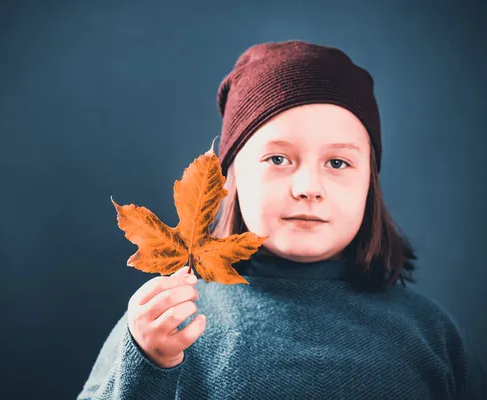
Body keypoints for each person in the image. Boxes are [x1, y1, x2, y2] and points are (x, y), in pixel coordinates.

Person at [76, 40, 485, 399]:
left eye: (338, 162)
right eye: (278, 159)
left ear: (369, 186)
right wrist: (146, 361)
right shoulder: (169, 323)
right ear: (231, 179)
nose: (308, 186)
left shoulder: (430, 333)